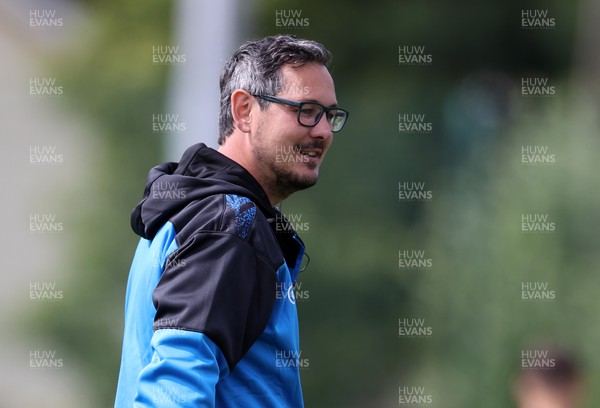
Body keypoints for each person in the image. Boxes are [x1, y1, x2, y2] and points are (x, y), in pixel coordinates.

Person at [114, 34, 349, 407]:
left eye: (330, 115)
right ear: (244, 111)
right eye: (305, 110)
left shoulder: (189, 214)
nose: (321, 131)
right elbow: (172, 394)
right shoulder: (230, 226)